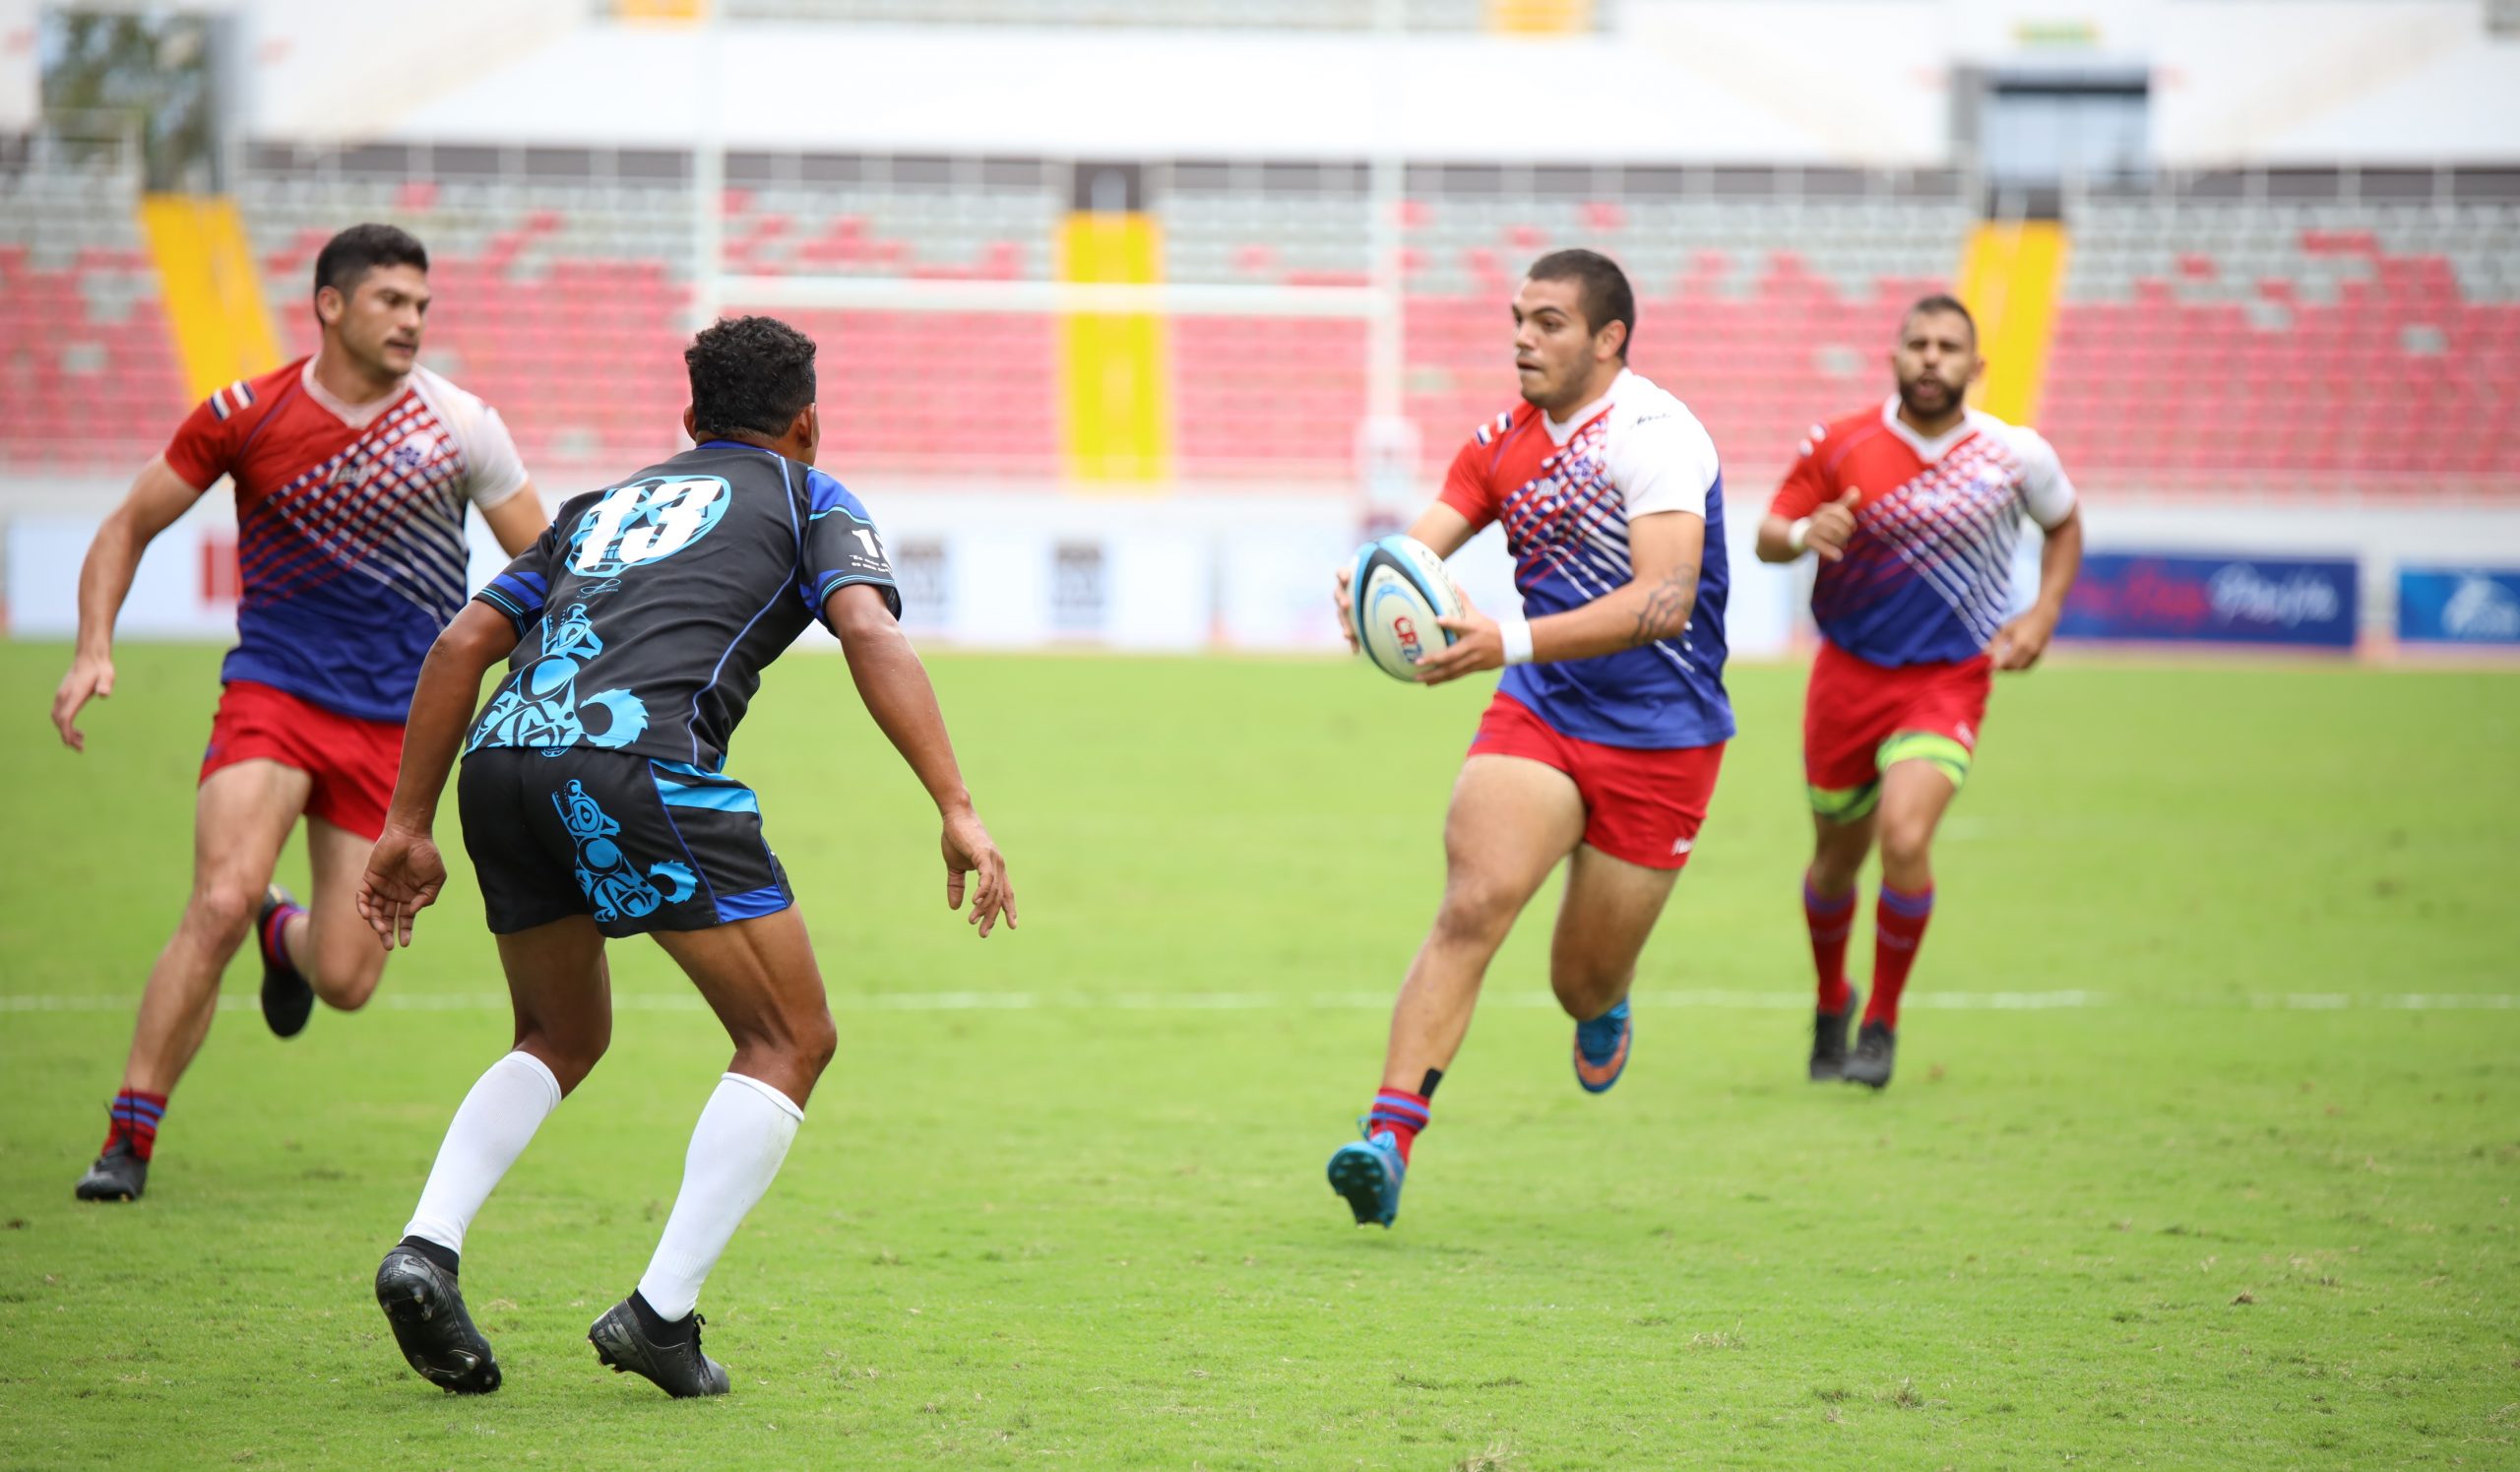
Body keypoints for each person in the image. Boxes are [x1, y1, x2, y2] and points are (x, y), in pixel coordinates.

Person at [356, 313, 1015, 1399]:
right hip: (635, 763)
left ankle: (426, 1245)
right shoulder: (812, 497)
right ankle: (661, 1314)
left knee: (558, 1032)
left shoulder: (601, 505)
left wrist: (407, 823)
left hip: (503, 759)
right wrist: (955, 803)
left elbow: (464, 642)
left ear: (688, 419)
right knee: (790, 1035)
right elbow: (870, 631)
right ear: (807, 421)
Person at [51, 224, 545, 1203]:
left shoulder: (460, 426)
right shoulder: (246, 413)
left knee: (347, 977)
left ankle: (287, 936)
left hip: (395, 728)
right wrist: (94, 644)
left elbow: (547, 569)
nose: (412, 321)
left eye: (421, 306)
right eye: (391, 302)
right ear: (330, 304)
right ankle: (128, 1138)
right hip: (273, 693)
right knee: (220, 897)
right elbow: (129, 524)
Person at [1324, 249, 1732, 1229]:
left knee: (1577, 978)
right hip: (1542, 709)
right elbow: (1415, 550)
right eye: (1517, 318)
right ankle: (1387, 1140)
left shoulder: (1655, 435)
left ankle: (1606, 1001)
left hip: (1664, 736)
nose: (1521, 337)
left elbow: (1664, 603)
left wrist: (1498, 638)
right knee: (1473, 902)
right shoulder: (1497, 443)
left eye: (1547, 321)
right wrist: (1369, 582)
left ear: (1608, 339)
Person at [1757, 293, 2083, 1090]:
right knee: (1835, 863)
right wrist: (1806, 534)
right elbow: (1770, 533)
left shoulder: (2014, 456)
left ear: (1976, 366)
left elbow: (2065, 524)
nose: (1931, 358)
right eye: (1917, 344)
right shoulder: (1840, 444)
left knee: (1904, 838)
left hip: (1947, 680)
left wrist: (2042, 612)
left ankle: (1883, 1026)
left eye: (1948, 346)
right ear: (1895, 356)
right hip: (1846, 675)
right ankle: (1832, 999)